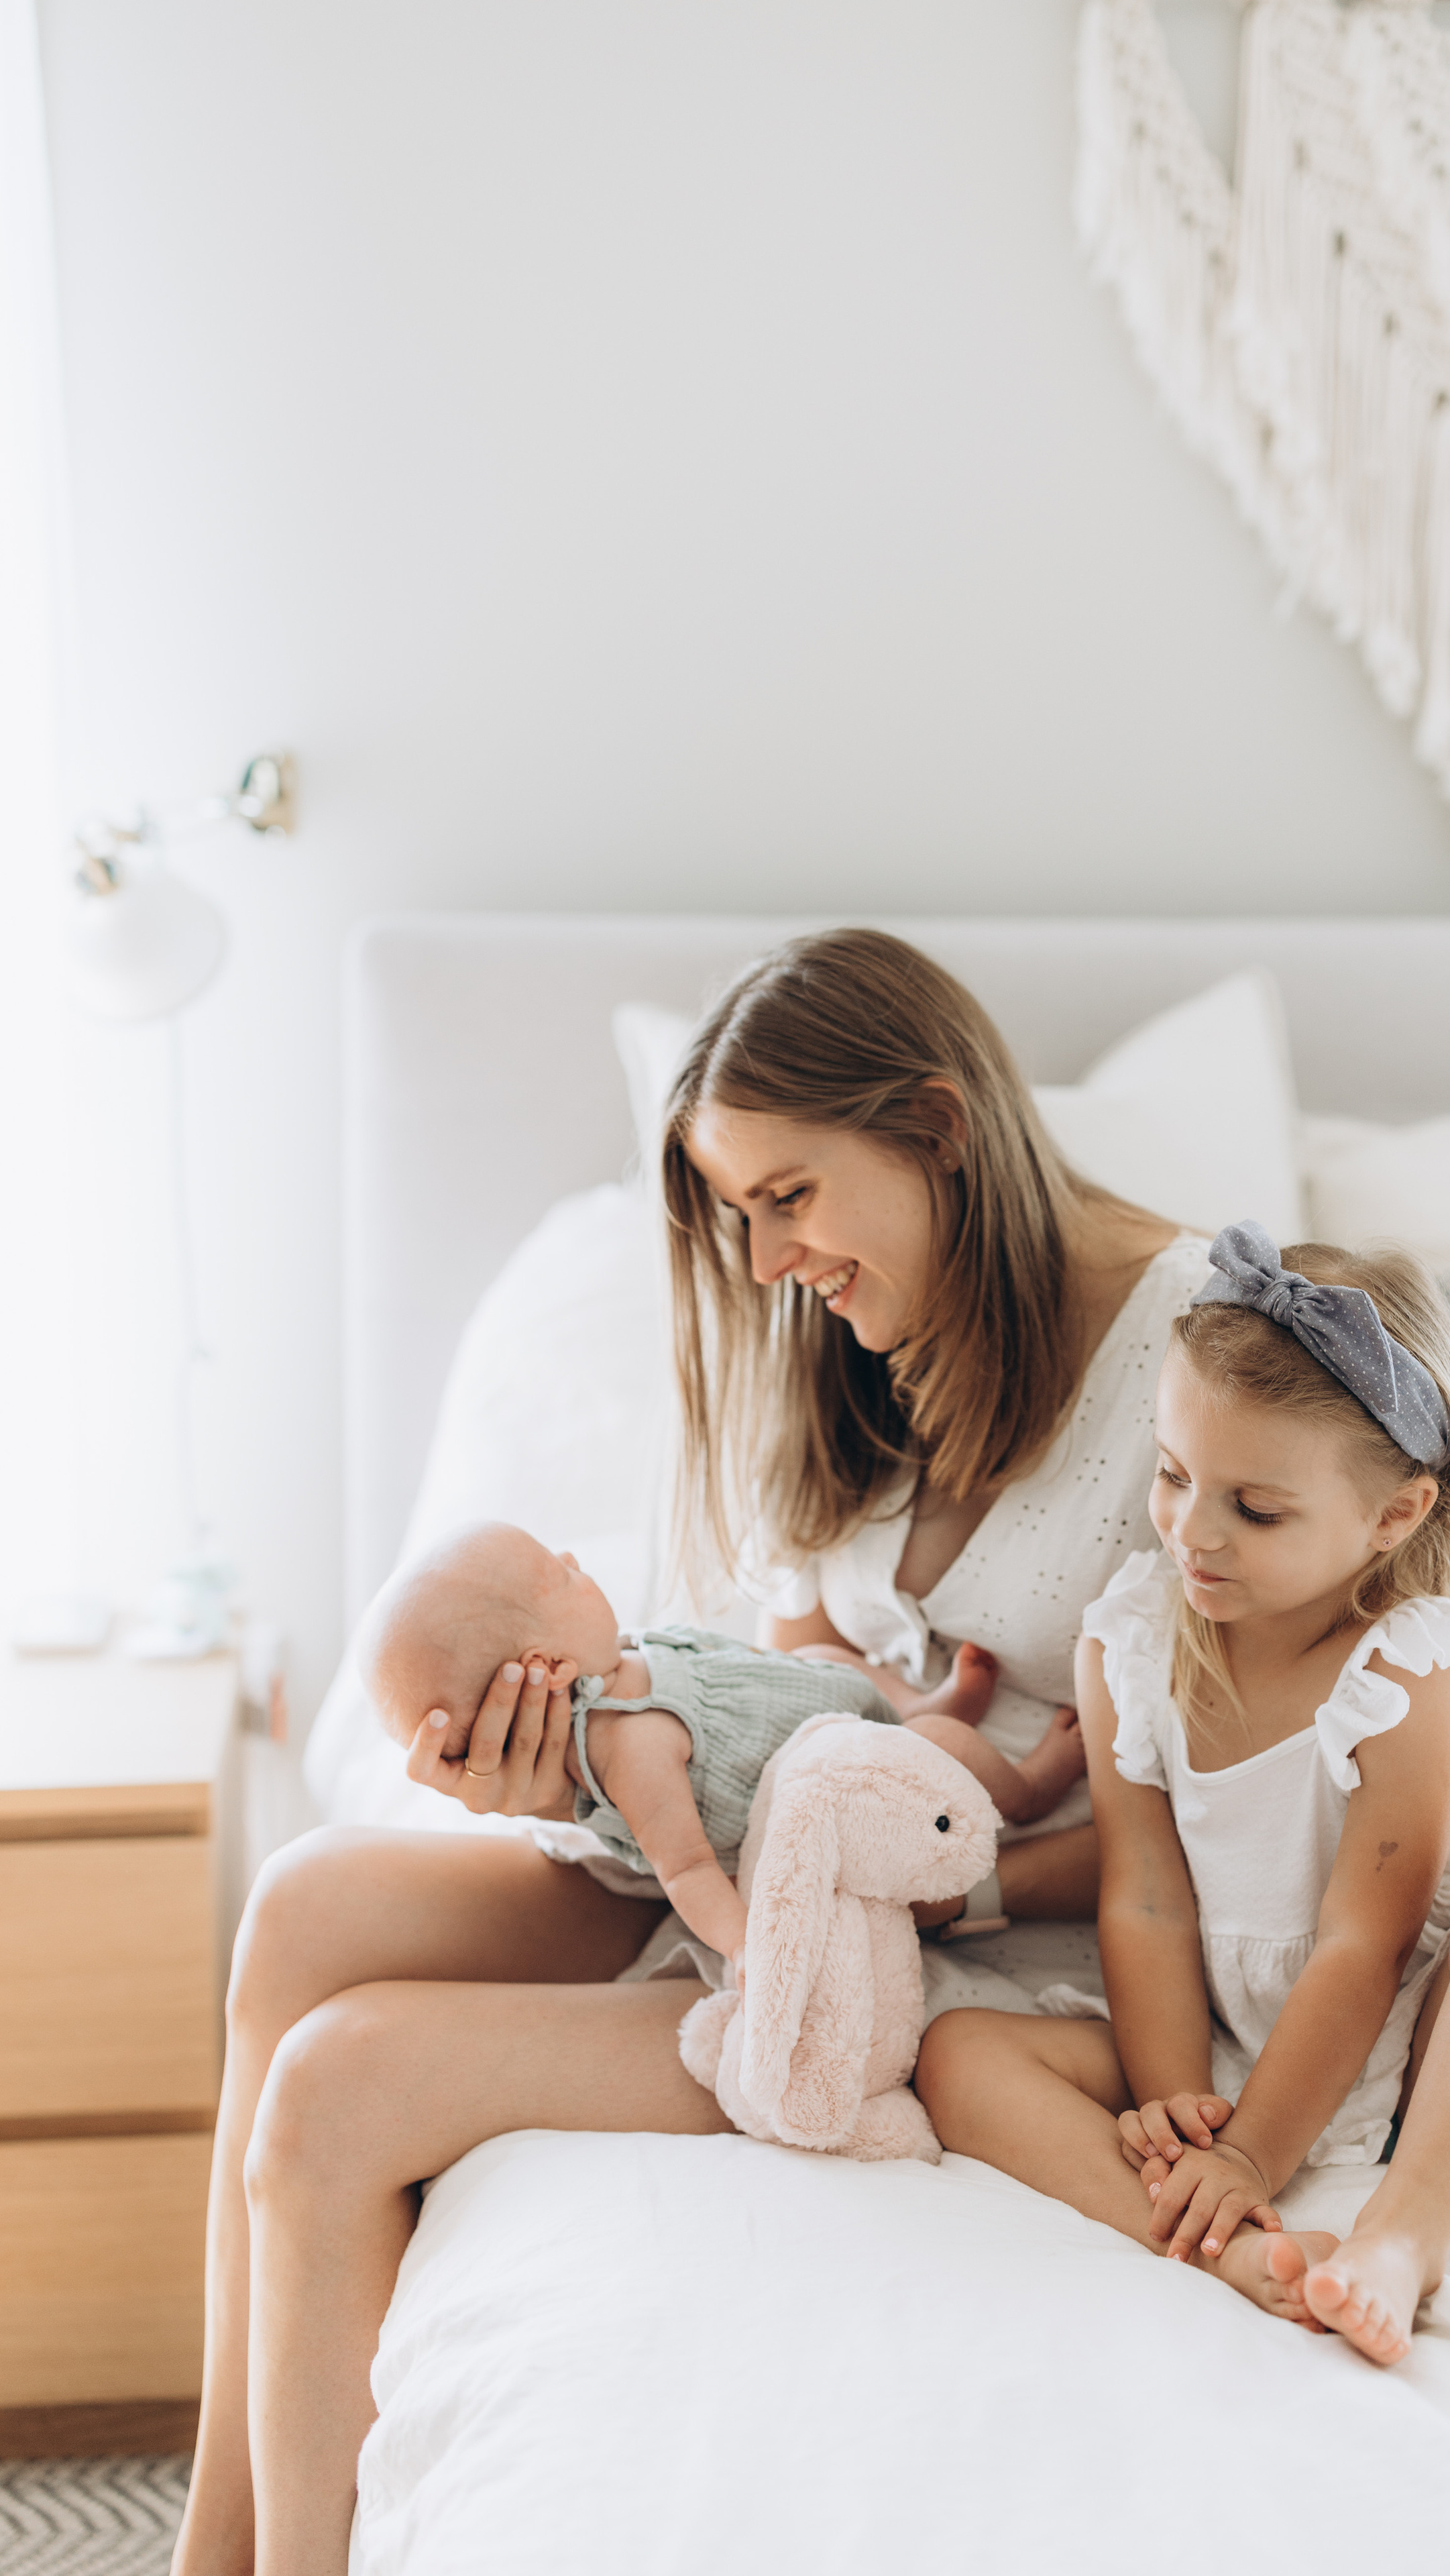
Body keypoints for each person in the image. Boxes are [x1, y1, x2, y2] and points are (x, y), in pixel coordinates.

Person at [170, 928, 1206, 2576]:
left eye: (787, 1195)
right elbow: (795, 1670)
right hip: (779, 1842)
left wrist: (892, 1855)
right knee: (300, 1907)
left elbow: (1209, 1821)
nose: (763, 1253)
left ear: (937, 1127)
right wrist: (584, 1792)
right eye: (734, 1211)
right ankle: (211, 2554)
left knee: (340, 2083)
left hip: (995, 1932)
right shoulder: (848, 1333)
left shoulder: (1197, 1359)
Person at [916, 1223, 1450, 2365]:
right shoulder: (1133, 1644)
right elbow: (1144, 1899)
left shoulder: (1410, 1675)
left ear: (1395, 1516)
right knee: (957, 2057)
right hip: (1249, 2033)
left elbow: (1361, 1946)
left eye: (1256, 1508)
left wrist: (1255, 2156)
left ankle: (1402, 2235)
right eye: (1175, 1477)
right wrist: (1183, 2114)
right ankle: (1209, 2241)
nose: (1193, 1531)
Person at [361, 1521, 1086, 1978]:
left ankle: (917, 1701)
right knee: (938, 1746)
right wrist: (754, 1949)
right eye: (559, 1575)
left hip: (831, 1709)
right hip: (858, 1792)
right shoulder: (630, 1743)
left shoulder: (622, 1661)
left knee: (832, 1656)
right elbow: (686, 1867)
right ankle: (1027, 1788)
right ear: (546, 1667)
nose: (577, 1557)